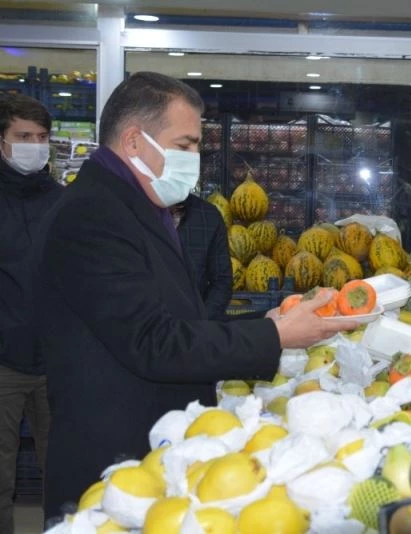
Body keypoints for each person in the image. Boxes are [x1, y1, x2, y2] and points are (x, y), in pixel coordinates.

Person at [33, 72, 360, 522]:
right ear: (133, 141)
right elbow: (155, 342)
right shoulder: (91, 217)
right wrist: (275, 338)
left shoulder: (133, 207)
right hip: (115, 469)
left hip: (149, 452)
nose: (195, 159)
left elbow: (178, 320)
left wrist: (272, 322)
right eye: (185, 145)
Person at [0, 95, 61, 533]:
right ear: (1, 141)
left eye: (41, 138)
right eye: (23, 137)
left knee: (61, 471)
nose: (34, 147)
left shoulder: (63, 202)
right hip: (2, 363)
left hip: (58, 363)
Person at [170, 193, 232, 321]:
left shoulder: (209, 216)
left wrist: (203, 322)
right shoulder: (137, 212)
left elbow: (222, 281)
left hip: (194, 326)